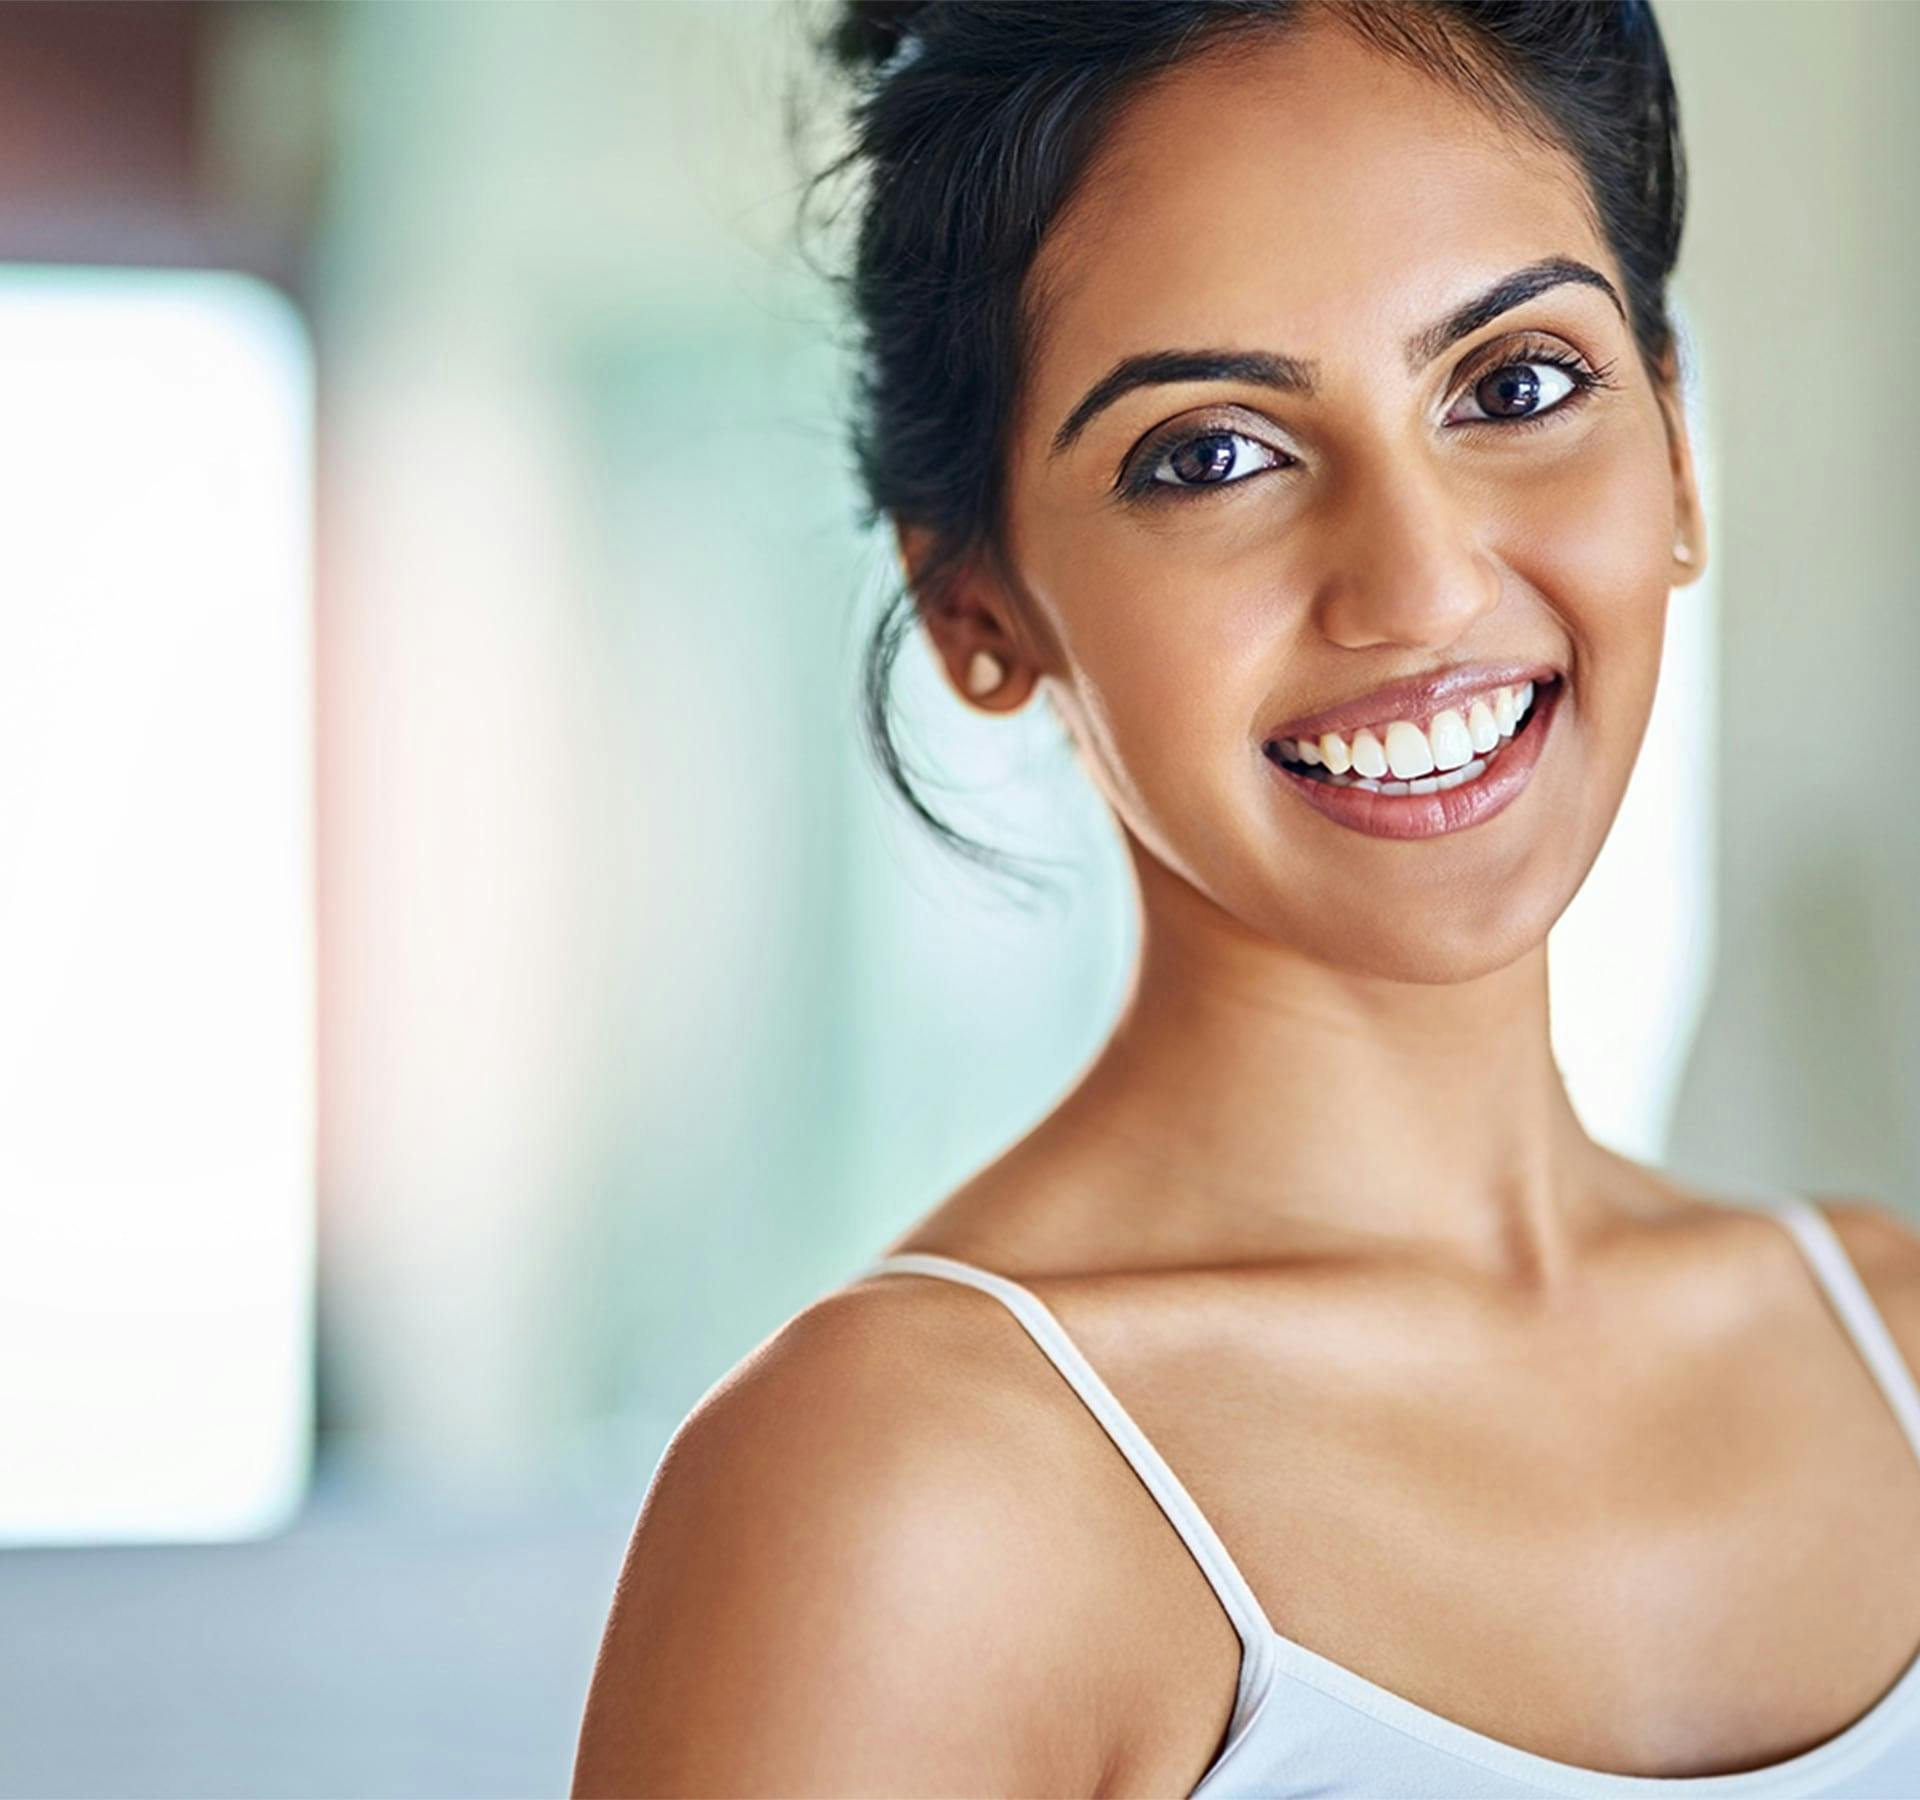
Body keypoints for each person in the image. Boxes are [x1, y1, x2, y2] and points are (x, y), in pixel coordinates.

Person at [573, 3, 1920, 1793]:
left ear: (1675, 443)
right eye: (1208, 452)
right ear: (980, 611)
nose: (1421, 586)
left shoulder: (1893, 1347)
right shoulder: (907, 1487)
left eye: (1516, 384)